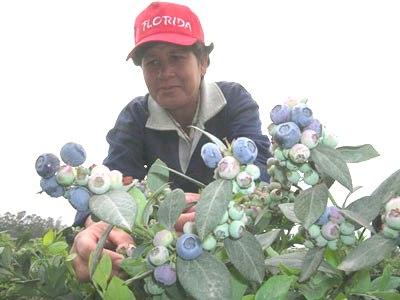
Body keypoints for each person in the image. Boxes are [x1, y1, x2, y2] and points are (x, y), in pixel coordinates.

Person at [71, 1, 271, 281]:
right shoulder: (135, 116)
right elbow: (115, 185)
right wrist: (95, 227)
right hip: (164, 258)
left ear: (203, 62)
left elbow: (256, 174)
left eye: (177, 57)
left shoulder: (232, 101)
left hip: (228, 246)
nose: (165, 74)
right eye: (152, 62)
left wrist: (204, 210)